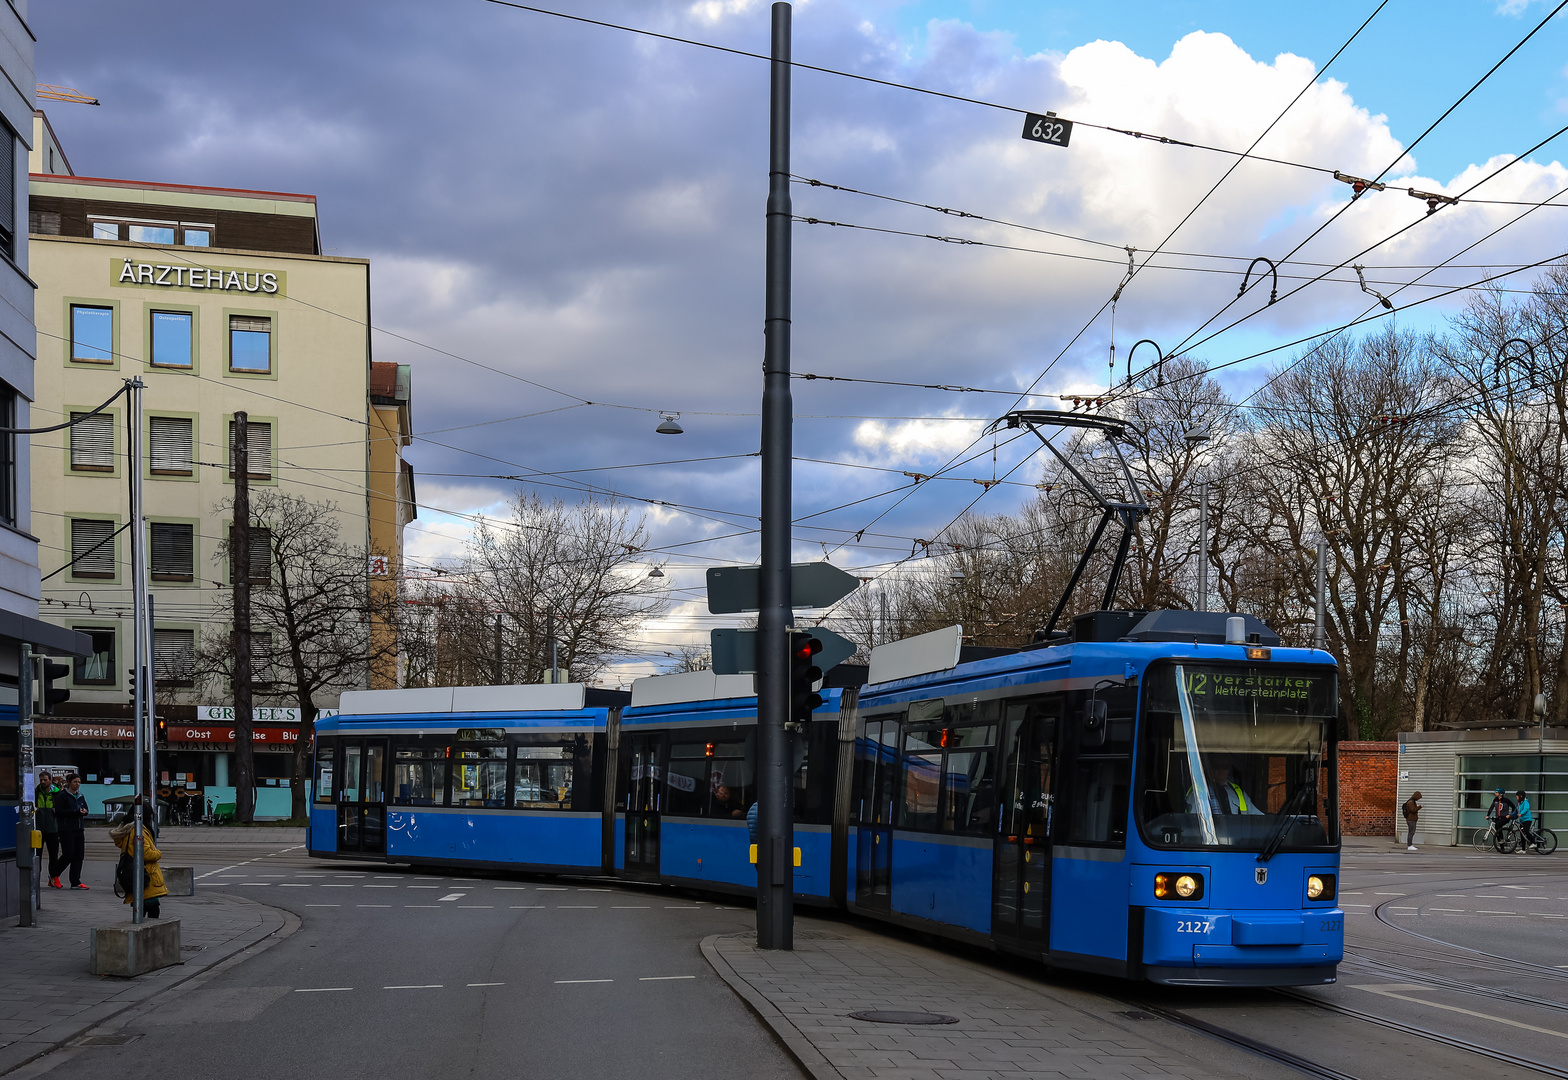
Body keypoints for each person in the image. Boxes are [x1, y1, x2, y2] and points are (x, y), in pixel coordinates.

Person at [110, 805, 167, 918]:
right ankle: (147, 934)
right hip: (145, 875)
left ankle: (142, 931)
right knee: (152, 909)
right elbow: (147, 854)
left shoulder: (130, 829)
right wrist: (158, 853)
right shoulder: (138, 831)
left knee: (143, 909)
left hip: (137, 873)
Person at [49, 774, 89, 889]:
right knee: (68, 854)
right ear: (69, 782)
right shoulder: (62, 796)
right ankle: (53, 874)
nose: (77, 784)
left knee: (79, 855)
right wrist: (76, 811)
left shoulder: (80, 796)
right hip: (66, 829)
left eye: (79, 782)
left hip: (79, 828)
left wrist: (84, 812)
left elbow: (85, 808)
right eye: (75, 782)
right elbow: (60, 812)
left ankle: (75, 881)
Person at [1188, 761, 1262, 816]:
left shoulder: (1236, 790)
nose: (1221, 771)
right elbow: (1194, 819)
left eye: (1225, 768)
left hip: (1236, 834)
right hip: (1208, 835)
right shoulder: (1198, 791)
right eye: (1217, 768)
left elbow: (1256, 815)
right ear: (1209, 770)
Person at [35, 771, 61, 881]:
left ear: (50, 781)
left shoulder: (57, 793)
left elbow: (63, 809)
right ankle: (36, 879)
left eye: (45, 780)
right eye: (41, 780)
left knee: (53, 856)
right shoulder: (36, 792)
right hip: (38, 830)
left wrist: (58, 810)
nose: (43, 782)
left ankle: (53, 878)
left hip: (53, 829)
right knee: (37, 856)